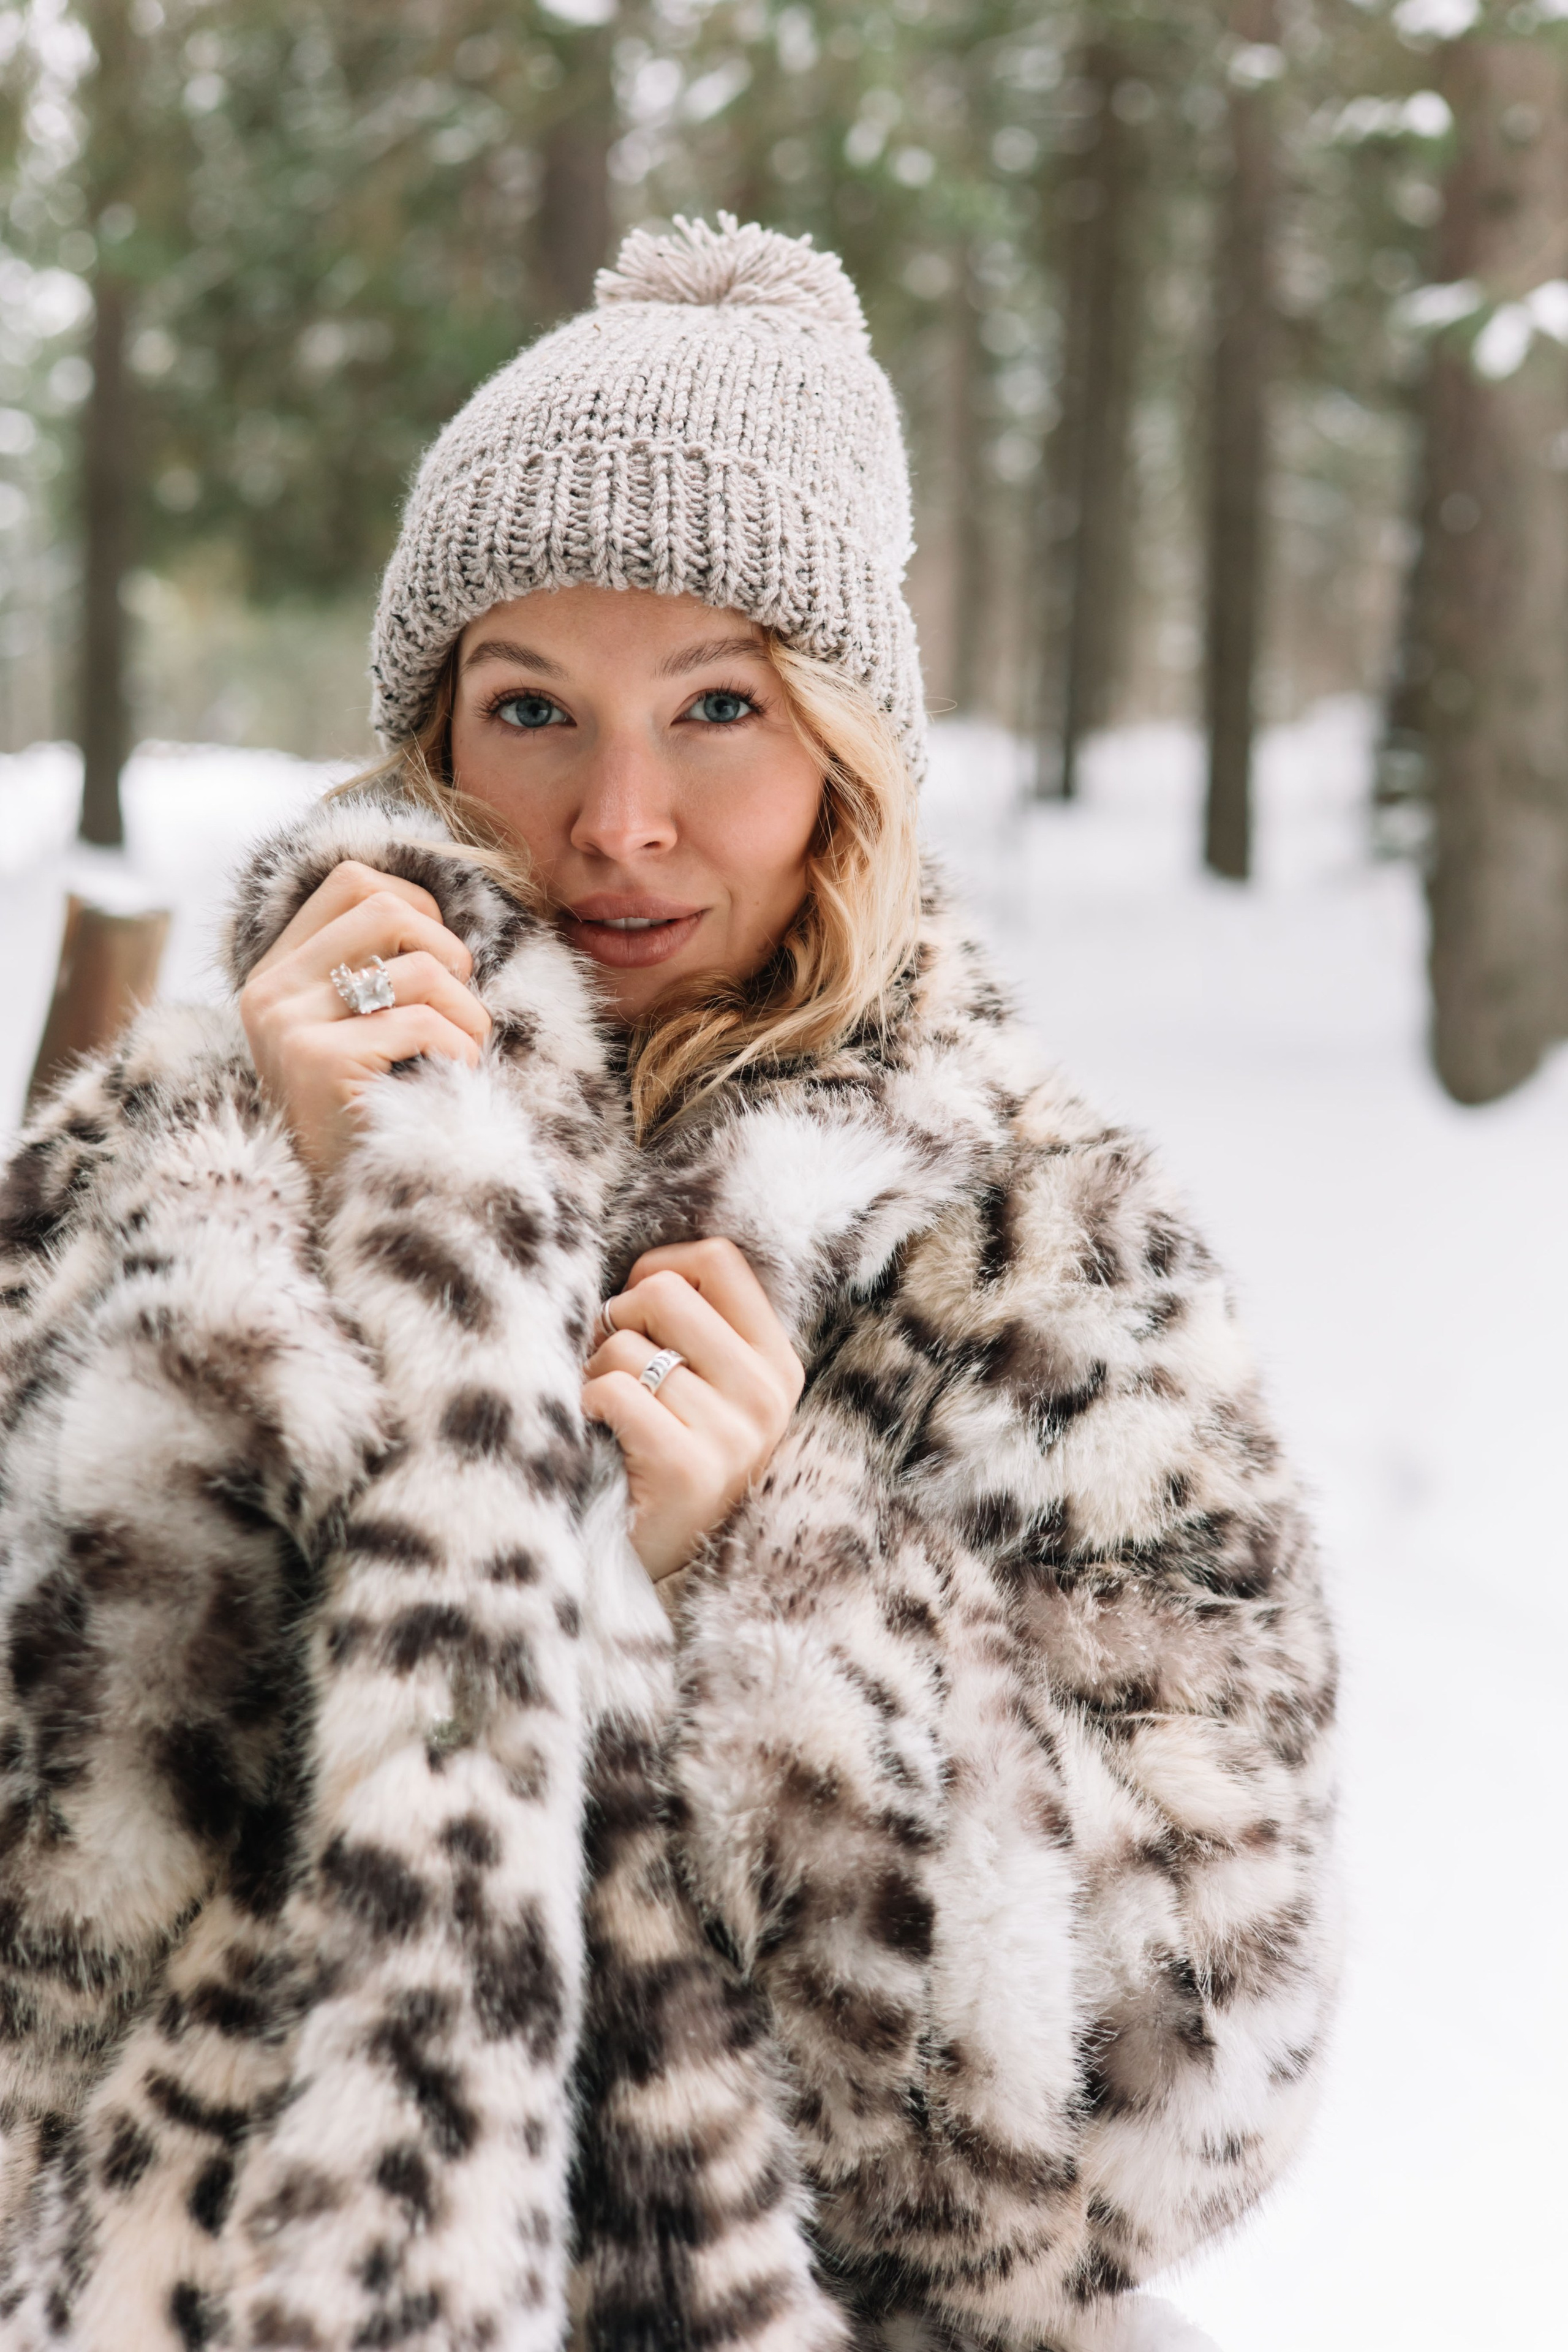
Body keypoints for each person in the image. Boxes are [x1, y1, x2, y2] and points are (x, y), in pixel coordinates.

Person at [0, 219, 1336, 2352]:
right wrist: (284, 1275)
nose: (619, 820)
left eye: (718, 705)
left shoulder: (1040, 1267)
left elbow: (1184, 2117)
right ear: (436, 733)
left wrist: (774, 1575)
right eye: (533, 707)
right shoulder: (169, 1151)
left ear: (842, 749)